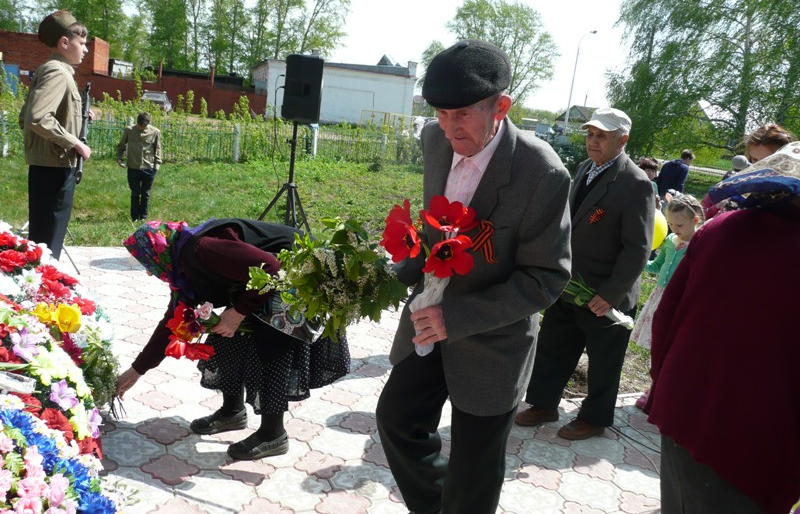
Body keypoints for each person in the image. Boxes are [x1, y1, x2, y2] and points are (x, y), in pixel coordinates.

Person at [375, 40, 572, 514]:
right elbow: (433, 231)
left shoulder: (542, 172)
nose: (448, 127)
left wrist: (455, 317)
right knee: (397, 420)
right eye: (439, 113)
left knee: (475, 466)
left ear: (500, 106)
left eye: (461, 114)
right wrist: (391, 268)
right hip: (426, 324)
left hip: (491, 338)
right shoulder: (434, 141)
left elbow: (547, 277)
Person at [646, 142, 800, 513]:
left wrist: (663, 384)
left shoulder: (719, 228)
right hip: (760, 442)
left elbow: (665, 319)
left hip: (684, 407)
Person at [115, 218, 350, 460]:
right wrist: (136, 371)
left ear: (158, 251)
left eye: (146, 261)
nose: (148, 270)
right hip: (263, 281)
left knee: (271, 347)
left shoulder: (203, 249)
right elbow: (171, 322)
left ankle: (273, 435)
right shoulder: (182, 269)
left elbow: (270, 266)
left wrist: (238, 312)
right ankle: (232, 412)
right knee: (225, 335)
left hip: (296, 273)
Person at [516, 107, 655, 440]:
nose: (594, 141)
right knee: (554, 345)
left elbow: (637, 248)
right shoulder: (584, 169)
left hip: (605, 293)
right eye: (591, 134)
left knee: (604, 360)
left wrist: (610, 294)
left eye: (602, 136)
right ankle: (544, 403)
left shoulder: (635, 183)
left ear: (623, 139)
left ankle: (594, 418)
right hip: (570, 284)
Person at [17, 10, 92, 260]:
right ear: (64, 42)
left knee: (42, 244)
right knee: (48, 248)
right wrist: (76, 144)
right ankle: (45, 296)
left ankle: (40, 293)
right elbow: (38, 118)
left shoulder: (48, 69)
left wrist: (77, 116)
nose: (85, 50)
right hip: (55, 169)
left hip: (46, 167)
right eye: (82, 43)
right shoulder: (58, 72)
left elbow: (25, 117)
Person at [630, 193, 703, 409]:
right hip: (660, 296)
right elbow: (657, 265)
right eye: (670, 223)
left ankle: (663, 389)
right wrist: (641, 260)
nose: (673, 228)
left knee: (674, 346)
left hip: (681, 301)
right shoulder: (671, 240)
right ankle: (654, 386)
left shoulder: (699, 244)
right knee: (658, 343)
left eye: (679, 224)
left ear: (695, 221)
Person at [116, 111, 162, 220]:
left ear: (148, 124)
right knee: (135, 193)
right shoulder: (129, 130)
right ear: (137, 123)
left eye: (144, 126)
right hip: (133, 168)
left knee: (145, 194)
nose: (141, 128)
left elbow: (158, 149)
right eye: (139, 125)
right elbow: (121, 145)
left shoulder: (155, 132)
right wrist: (119, 158)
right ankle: (134, 217)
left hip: (149, 168)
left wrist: (156, 167)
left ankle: (143, 217)